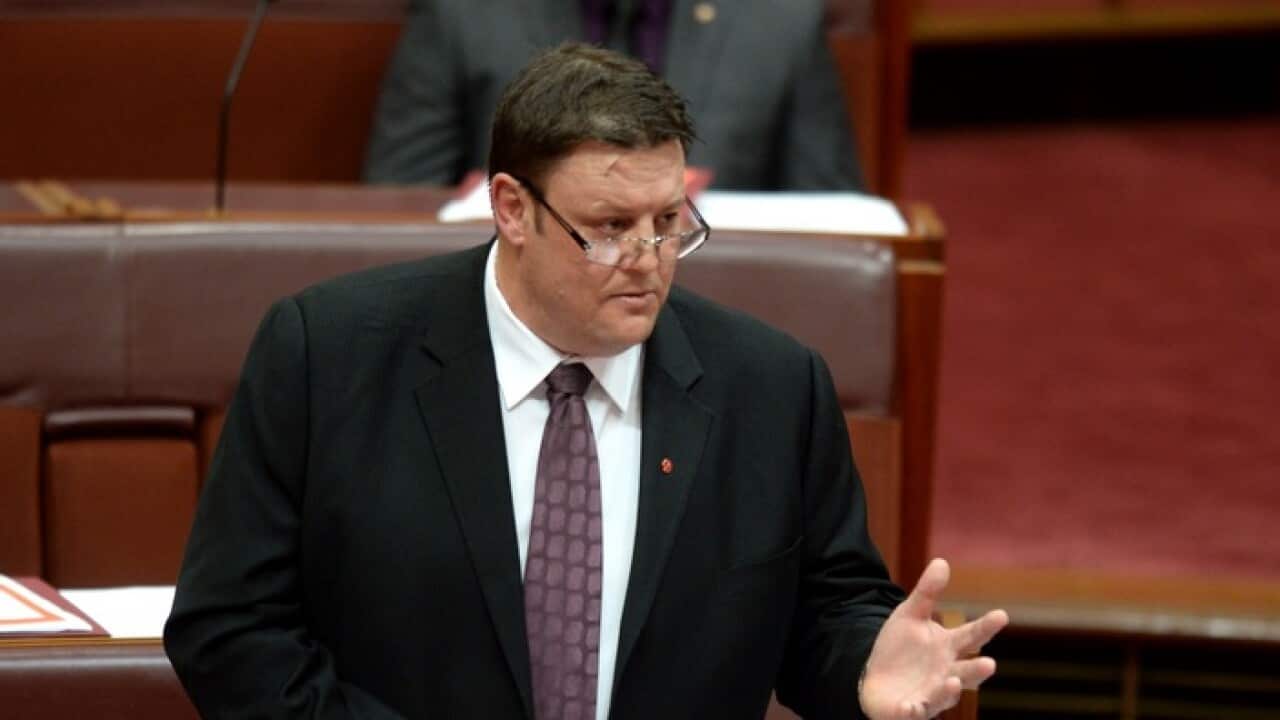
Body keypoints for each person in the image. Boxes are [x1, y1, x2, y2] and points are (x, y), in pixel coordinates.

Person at [166, 43, 1005, 720]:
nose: (648, 261)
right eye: (609, 228)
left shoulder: (773, 388)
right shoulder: (328, 356)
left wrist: (862, 667)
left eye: (669, 223)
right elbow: (231, 630)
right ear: (512, 209)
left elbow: (827, 612)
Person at [362, 0, 864, 191]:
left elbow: (833, 224)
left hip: (719, 314)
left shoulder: (782, 17)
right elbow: (399, 206)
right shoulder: (461, 11)